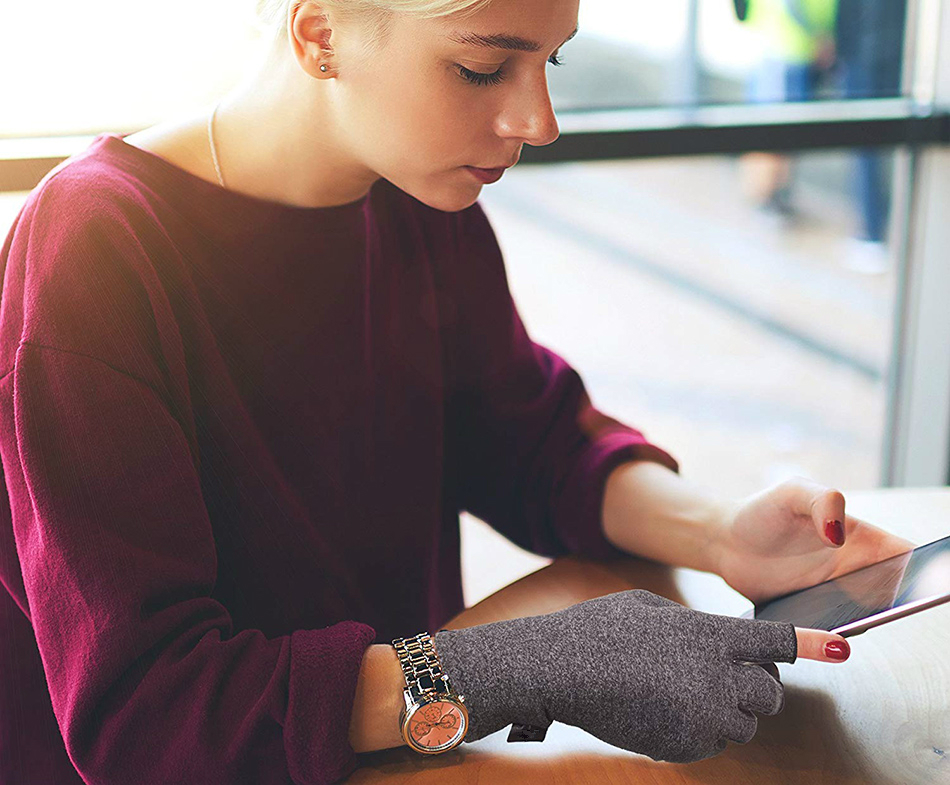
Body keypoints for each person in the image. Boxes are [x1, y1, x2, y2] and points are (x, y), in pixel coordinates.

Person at [0, 0, 915, 782]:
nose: (541, 120)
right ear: (320, 34)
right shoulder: (98, 251)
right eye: (484, 69)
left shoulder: (410, 194)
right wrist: (516, 668)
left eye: (550, 60)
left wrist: (720, 532)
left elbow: (528, 437)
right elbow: (149, 714)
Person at [737, 0, 839, 221]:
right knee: (777, 129)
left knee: (786, 131)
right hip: (786, 49)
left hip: (792, 50)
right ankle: (765, 195)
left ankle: (774, 194)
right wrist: (818, 38)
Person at [835, 0, 908, 274]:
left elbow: (848, 16)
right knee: (879, 150)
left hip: (863, 62)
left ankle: (871, 233)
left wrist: (842, 54)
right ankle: (878, 229)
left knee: (866, 150)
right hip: (891, 62)